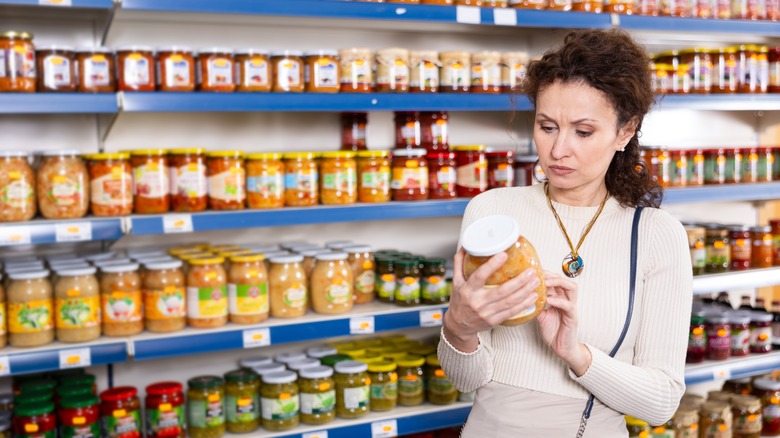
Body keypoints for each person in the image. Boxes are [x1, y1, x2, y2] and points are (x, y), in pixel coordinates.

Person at [439, 29, 692, 437]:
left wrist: (576, 355)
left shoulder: (656, 235)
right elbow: (466, 380)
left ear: (625, 132)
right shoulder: (493, 212)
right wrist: (458, 328)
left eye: (583, 131)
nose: (558, 150)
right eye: (547, 126)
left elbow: (661, 402)